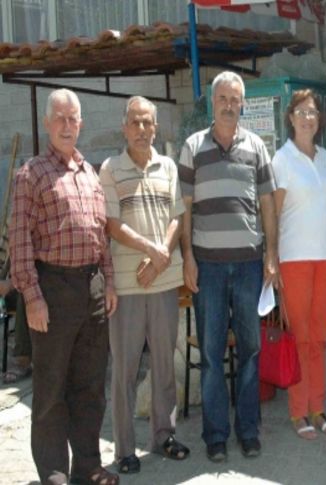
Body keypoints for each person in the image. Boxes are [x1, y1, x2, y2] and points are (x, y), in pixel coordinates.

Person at [9, 89, 118, 485]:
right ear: (47, 124)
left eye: (74, 119)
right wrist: (32, 297)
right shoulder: (31, 174)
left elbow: (100, 234)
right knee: (51, 388)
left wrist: (108, 283)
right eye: (61, 119)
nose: (68, 126)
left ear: (81, 124)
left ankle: (87, 466)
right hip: (51, 290)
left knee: (90, 386)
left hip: (91, 287)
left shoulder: (90, 172)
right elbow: (19, 242)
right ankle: (53, 471)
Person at [179, 71, 279, 462]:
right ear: (211, 102)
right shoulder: (192, 147)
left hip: (250, 265)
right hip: (209, 267)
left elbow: (268, 203)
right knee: (211, 352)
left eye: (234, 98)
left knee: (252, 350)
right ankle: (216, 435)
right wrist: (187, 256)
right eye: (221, 97)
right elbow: (184, 208)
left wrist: (271, 254)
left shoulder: (256, 146)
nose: (227, 104)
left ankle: (249, 431)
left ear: (243, 103)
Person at [99, 96, 189, 474]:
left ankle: (163, 435)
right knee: (125, 369)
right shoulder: (110, 170)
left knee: (166, 364)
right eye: (135, 122)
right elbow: (112, 225)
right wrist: (152, 250)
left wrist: (160, 255)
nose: (141, 129)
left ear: (156, 127)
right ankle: (124, 449)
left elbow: (176, 217)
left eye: (147, 123)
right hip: (128, 286)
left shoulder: (168, 166)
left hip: (165, 281)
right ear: (124, 127)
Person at [272, 89, 326, 440]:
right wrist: (272, 260)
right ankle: (299, 411)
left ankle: (318, 406)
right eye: (300, 111)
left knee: (320, 338)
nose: (307, 117)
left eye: (312, 111)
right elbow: (273, 213)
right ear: (290, 118)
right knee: (300, 338)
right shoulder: (281, 160)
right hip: (294, 259)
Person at [0, 258, 31, 384]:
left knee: (25, 296)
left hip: (33, 289)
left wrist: (11, 283)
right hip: (13, 287)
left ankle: (23, 359)